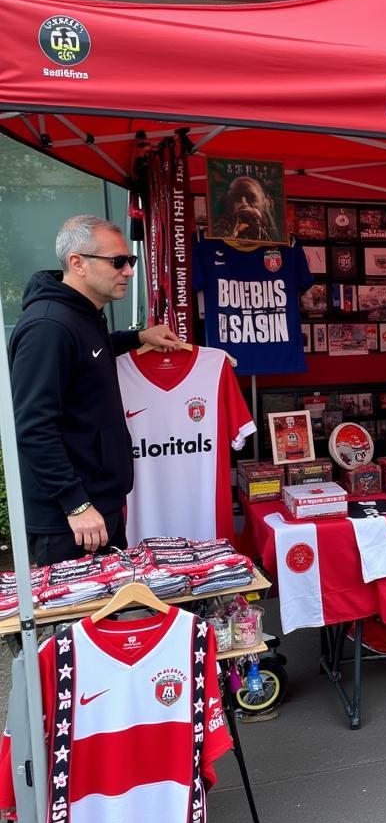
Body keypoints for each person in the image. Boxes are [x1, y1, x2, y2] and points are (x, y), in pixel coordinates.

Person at [9, 215, 183, 565]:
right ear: (78, 263)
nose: (129, 271)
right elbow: (32, 426)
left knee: (114, 616)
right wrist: (76, 502)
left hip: (99, 504)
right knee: (81, 620)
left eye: (130, 261)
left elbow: (88, 352)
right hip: (71, 522)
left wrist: (136, 338)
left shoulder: (83, 314)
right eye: (118, 261)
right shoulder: (48, 326)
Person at [211, 174, 279, 244]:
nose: (244, 203)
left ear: (262, 202)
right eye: (237, 197)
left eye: (251, 198)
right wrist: (235, 228)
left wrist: (257, 222)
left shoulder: (268, 224)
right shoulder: (223, 223)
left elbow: (274, 247)